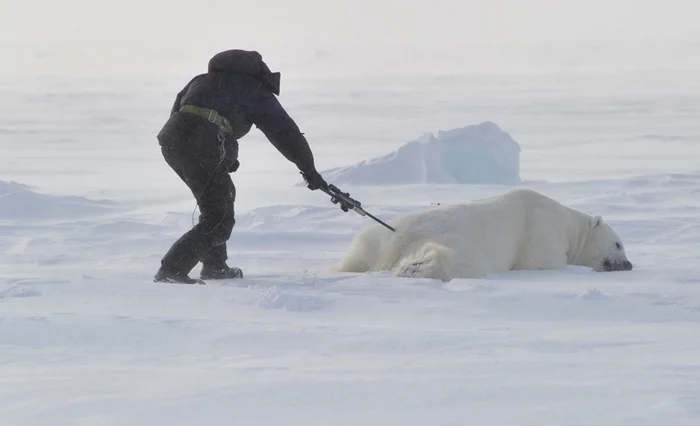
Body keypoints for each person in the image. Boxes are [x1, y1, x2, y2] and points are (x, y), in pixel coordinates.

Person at [154, 49, 328, 284]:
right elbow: (285, 133)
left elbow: (185, 114)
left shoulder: (201, 80)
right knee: (219, 216)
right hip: (200, 141)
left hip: (172, 140)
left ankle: (215, 266)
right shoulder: (253, 89)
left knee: (220, 199)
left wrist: (222, 152)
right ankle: (172, 269)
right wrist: (309, 170)